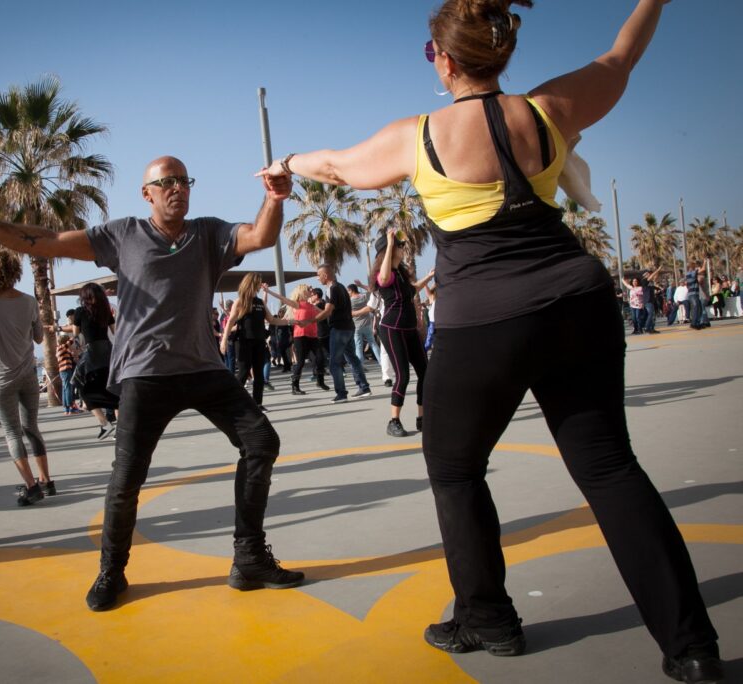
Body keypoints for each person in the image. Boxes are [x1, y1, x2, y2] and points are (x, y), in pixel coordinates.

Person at [260, 2, 722, 681]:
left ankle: (487, 617)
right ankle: (692, 648)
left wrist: (286, 162)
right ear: (499, 53)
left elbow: (334, 166)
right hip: (578, 300)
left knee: (454, 466)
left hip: (486, 321)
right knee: (609, 469)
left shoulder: (415, 136)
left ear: (443, 60)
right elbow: (620, 56)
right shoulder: (547, 109)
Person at [0, 155, 304, 612]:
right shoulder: (123, 235)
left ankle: (248, 557)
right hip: (145, 374)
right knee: (126, 479)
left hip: (203, 369)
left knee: (261, 441)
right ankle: (112, 570)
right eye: (165, 182)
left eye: (183, 180)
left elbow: (260, 235)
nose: (176, 189)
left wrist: (274, 196)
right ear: (146, 194)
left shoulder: (208, 233)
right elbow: (48, 241)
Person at [0, 248, 54, 505]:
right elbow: (39, 337)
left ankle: (31, 486)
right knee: (31, 428)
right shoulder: (29, 300)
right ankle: (46, 480)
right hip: (28, 373)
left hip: (1, 376)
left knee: (12, 432)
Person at [370, 231, 433, 436]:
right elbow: (385, 276)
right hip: (391, 329)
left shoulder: (401, 275)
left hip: (409, 329)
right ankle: (393, 421)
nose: (401, 248)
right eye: (399, 246)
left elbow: (414, 289)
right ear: (386, 250)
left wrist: (431, 276)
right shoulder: (384, 275)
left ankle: (422, 418)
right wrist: (389, 244)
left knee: (426, 372)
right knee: (403, 376)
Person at [57, 282, 120, 439]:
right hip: (107, 351)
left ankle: (105, 424)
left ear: (84, 297)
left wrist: (74, 350)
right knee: (113, 389)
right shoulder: (105, 310)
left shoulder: (80, 312)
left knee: (81, 387)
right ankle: (121, 429)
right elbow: (116, 332)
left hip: (91, 353)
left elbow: (77, 336)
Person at [220, 273, 288, 410]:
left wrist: (290, 321)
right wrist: (224, 341)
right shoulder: (240, 301)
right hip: (244, 342)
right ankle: (233, 402)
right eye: (258, 282)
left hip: (259, 341)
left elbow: (272, 320)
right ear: (251, 283)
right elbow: (230, 322)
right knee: (243, 372)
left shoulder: (260, 302)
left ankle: (257, 403)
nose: (260, 285)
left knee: (259, 374)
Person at [313, 264, 371, 403]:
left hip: (339, 329)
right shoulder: (342, 288)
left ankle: (341, 393)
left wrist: (311, 320)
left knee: (334, 362)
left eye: (318, 275)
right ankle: (364, 387)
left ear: (325, 275)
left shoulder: (332, 289)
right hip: (348, 328)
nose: (317, 278)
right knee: (352, 358)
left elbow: (328, 311)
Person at [264, 283, 325, 396]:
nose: (310, 290)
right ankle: (295, 386)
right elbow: (282, 298)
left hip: (313, 336)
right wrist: (268, 291)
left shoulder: (312, 305)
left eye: (311, 289)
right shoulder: (297, 304)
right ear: (302, 292)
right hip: (300, 336)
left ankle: (320, 381)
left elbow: (324, 313)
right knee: (300, 362)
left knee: (320, 358)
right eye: (308, 289)